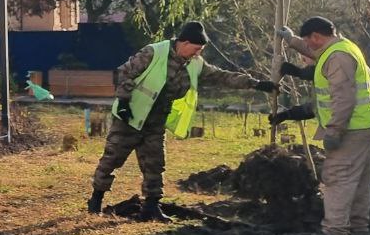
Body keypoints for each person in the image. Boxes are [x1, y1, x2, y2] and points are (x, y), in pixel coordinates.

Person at [89, 21, 276, 221]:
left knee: (155, 164)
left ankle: (151, 208)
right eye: (196, 49)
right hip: (129, 117)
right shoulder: (154, 52)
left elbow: (221, 77)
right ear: (184, 43)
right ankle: (96, 201)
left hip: (156, 121)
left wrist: (256, 84)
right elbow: (124, 73)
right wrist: (124, 102)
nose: (198, 54)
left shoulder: (195, 63)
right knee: (112, 160)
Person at [272, 17, 370, 235]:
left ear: (316, 36)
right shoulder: (340, 47)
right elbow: (313, 51)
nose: (308, 47)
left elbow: (343, 98)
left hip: (351, 129)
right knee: (360, 179)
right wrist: (292, 40)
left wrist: (334, 131)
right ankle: (359, 228)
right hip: (365, 124)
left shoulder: (337, 57)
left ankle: (335, 232)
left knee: (338, 177)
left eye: (308, 40)